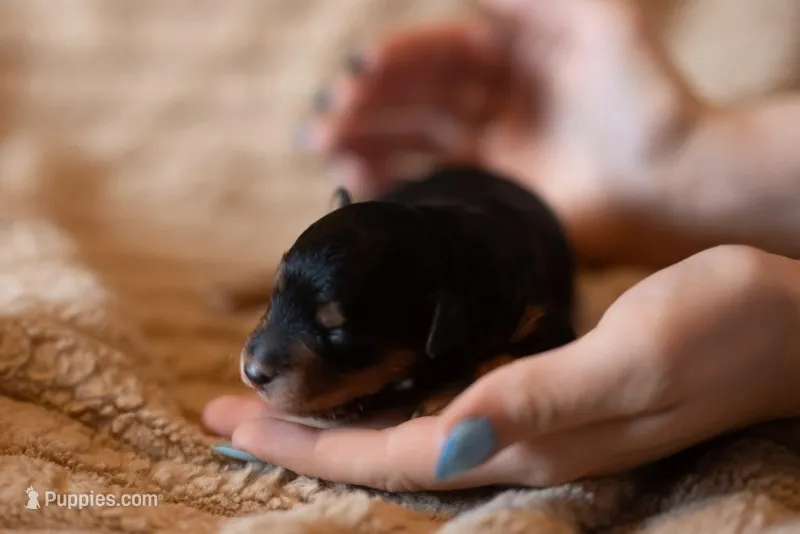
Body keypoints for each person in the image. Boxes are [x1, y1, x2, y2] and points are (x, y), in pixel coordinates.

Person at [202, 0, 800, 491]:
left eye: (333, 331)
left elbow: (549, 340)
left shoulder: (511, 304)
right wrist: (690, 162)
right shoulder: (412, 255)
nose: (257, 360)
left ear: (442, 325)